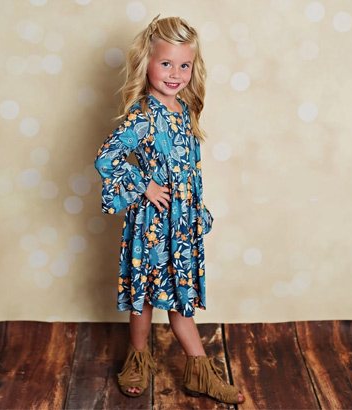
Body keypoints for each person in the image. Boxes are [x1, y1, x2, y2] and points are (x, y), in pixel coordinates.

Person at [93, 15, 245, 405]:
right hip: (152, 223)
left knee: (181, 297)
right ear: (147, 62)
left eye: (184, 65)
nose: (175, 74)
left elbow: (188, 169)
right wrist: (144, 185)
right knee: (144, 297)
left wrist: (195, 207)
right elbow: (107, 157)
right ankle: (140, 359)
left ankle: (197, 371)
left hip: (180, 225)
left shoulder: (185, 110)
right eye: (166, 63)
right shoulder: (143, 116)